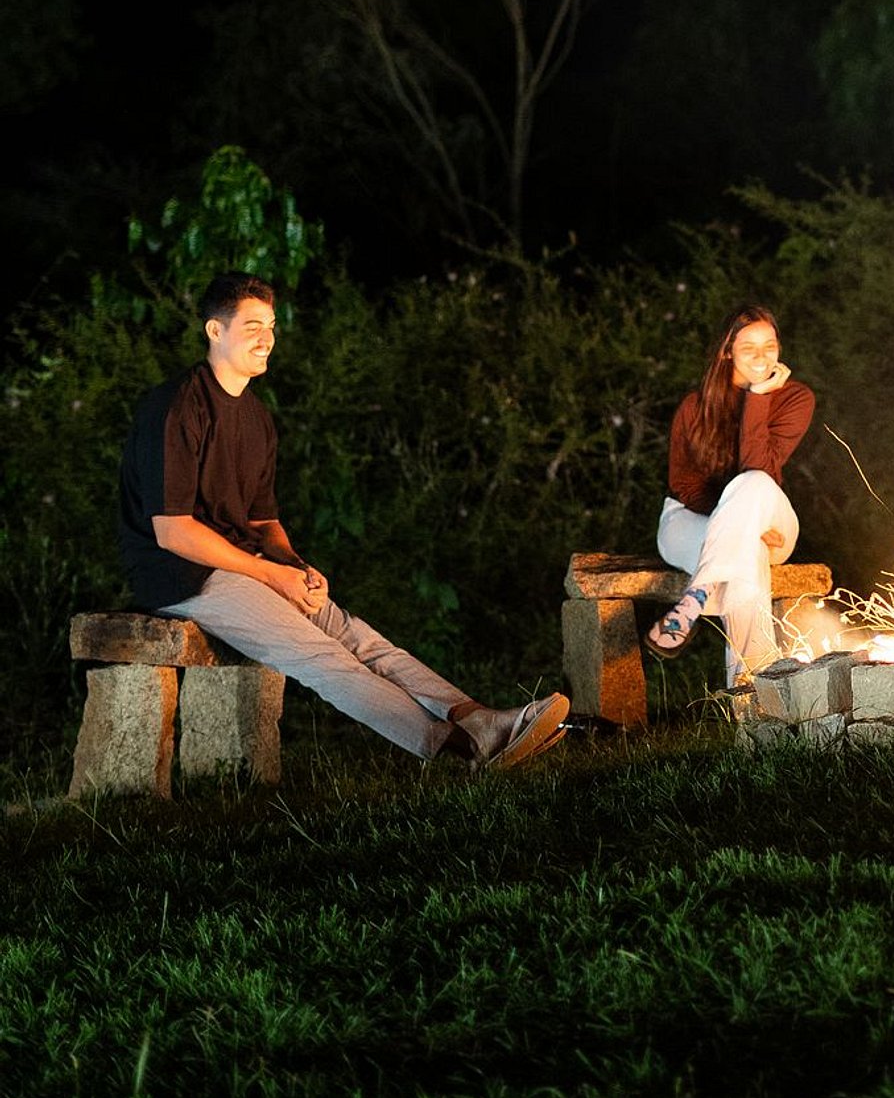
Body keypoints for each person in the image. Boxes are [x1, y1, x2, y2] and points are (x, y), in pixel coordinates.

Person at [119, 271, 569, 772]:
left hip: (245, 566)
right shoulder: (178, 407)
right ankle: (460, 751)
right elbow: (173, 530)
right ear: (215, 330)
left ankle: (480, 720)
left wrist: (297, 566)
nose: (266, 338)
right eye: (252, 326)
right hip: (181, 576)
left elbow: (263, 521)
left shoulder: (257, 419)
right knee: (320, 654)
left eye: (271, 326)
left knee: (361, 639)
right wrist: (272, 574)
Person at [646, 303, 814, 684]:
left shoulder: (796, 399)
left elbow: (760, 467)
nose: (761, 357)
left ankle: (697, 594)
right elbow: (685, 485)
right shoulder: (695, 407)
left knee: (754, 483)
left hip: (771, 523)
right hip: (688, 521)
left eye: (769, 346)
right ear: (727, 352)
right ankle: (752, 694)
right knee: (746, 557)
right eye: (748, 348)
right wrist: (739, 526)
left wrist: (759, 396)